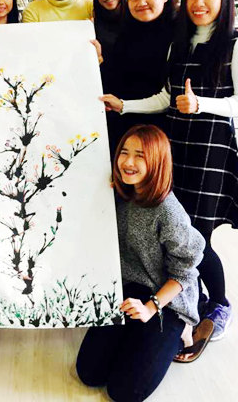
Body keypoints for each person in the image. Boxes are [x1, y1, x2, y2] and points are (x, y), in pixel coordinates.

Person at [102, 0, 238, 343]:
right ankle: (188, 299)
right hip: (176, 143)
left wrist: (201, 105)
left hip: (212, 148)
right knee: (179, 227)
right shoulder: (179, 43)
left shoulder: (233, 43)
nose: (199, 3)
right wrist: (124, 106)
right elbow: (165, 98)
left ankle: (219, 304)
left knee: (199, 234)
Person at [76, 125, 205, 401]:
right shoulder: (120, 193)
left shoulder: (168, 211)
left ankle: (183, 330)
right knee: (89, 373)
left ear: (157, 162)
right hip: (130, 289)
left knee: (124, 392)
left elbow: (186, 271)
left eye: (140, 156)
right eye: (124, 152)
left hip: (168, 300)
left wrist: (151, 307)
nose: (128, 162)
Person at [105, 0, 178, 159]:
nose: (141, 3)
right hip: (124, 131)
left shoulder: (180, 35)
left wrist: (124, 105)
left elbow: (168, 96)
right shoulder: (124, 34)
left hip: (163, 135)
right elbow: (114, 80)